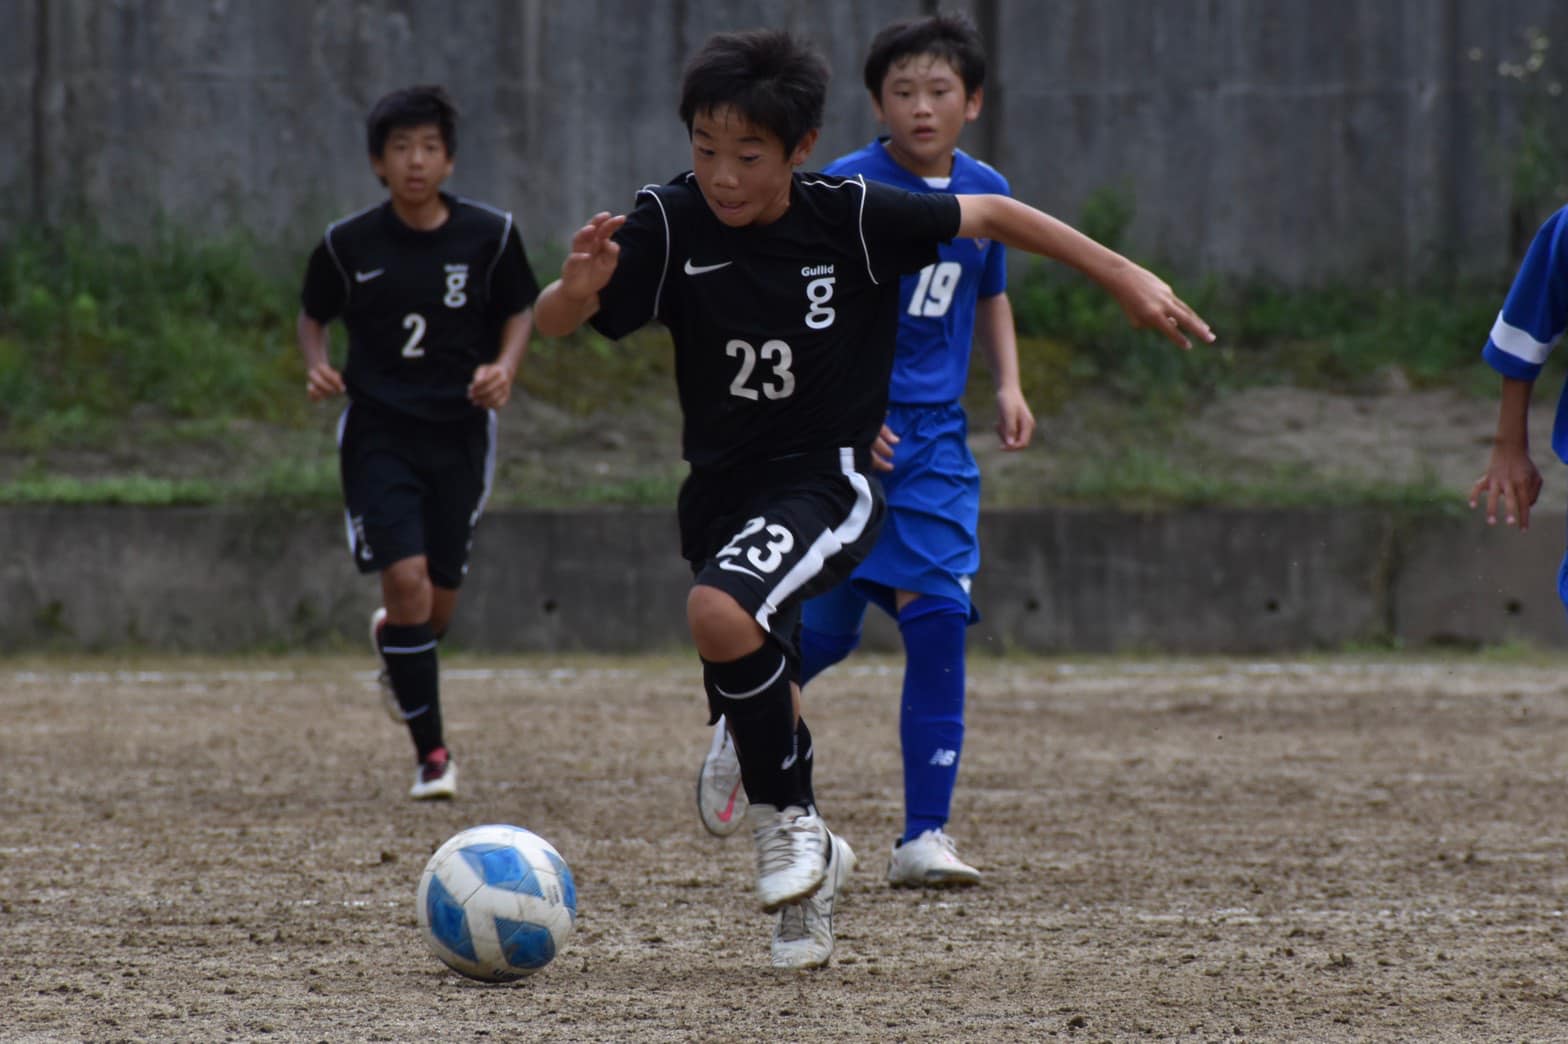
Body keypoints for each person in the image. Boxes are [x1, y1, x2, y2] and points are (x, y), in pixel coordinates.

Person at [532, 29, 1211, 970]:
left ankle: (799, 826)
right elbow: (556, 321)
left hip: (827, 478)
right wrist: (571, 290)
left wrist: (1127, 275)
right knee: (765, 682)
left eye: (748, 157)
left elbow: (997, 220)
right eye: (705, 150)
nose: (722, 176)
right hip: (721, 493)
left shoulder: (848, 215)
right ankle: (817, 877)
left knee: (721, 613)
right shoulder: (667, 221)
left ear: (801, 149)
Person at [696, 12, 1029, 890]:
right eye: (903, 92)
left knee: (938, 618)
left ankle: (924, 835)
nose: (922, 108)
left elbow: (989, 292)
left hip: (938, 448)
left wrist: (1007, 384)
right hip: (849, 445)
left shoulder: (983, 190)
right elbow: (797, 316)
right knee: (825, 633)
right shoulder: (843, 190)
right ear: (877, 104)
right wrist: (843, 411)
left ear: (974, 102)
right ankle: (746, 713)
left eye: (940, 91)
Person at [296, 85, 540, 800]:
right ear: (378, 161)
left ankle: (397, 646)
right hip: (379, 433)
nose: (415, 161)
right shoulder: (348, 243)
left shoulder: (489, 235)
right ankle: (433, 755)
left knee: (434, 608)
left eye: (429, 147)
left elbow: (520, 309)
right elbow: (313, 314)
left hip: (461, 434)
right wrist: (317, 363)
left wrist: (504, 368)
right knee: (403, 583)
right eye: (400, 148)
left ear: (450, 160)